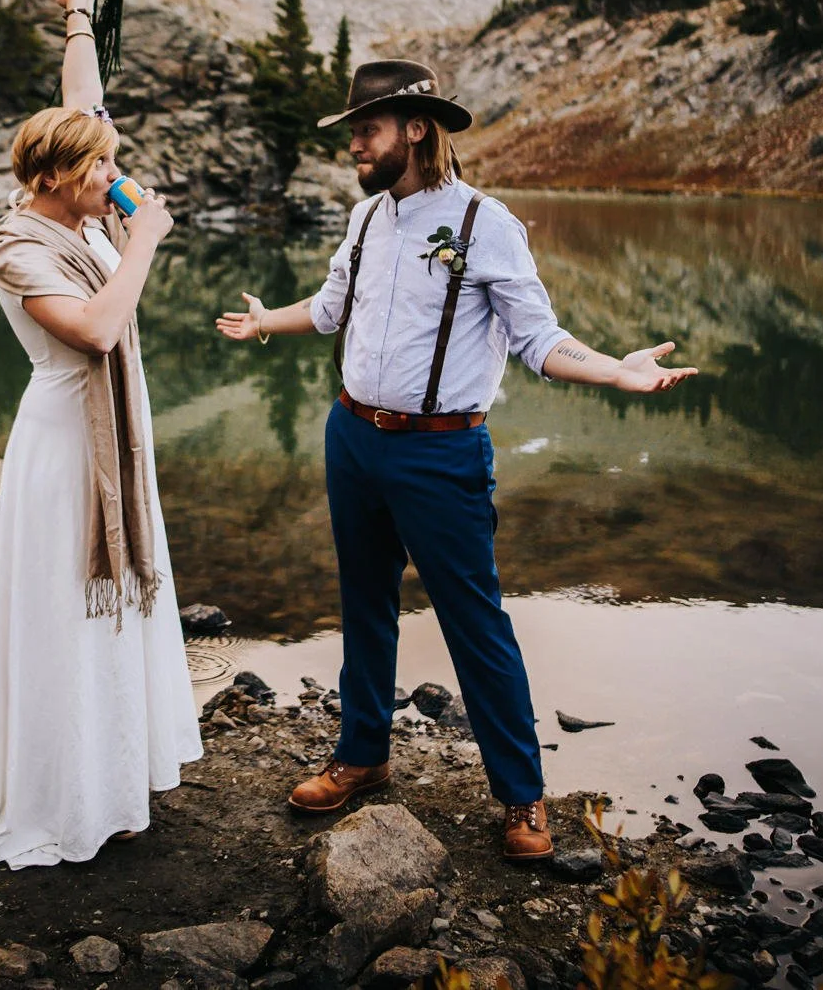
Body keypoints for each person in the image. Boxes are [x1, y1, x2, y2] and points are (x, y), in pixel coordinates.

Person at [215, 59, 696, 861]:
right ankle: (362, 756)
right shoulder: (366, 219)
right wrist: (269, 323)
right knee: (364, 602)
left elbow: (539, 339)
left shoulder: (486, 223)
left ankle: (520, 795)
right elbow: (331, 309)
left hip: (442, 453)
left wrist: (615, 367)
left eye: (365, 130)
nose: (354, 147)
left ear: (414, 127)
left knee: (476, 622)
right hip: (353, 438)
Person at [0, 0, 202, 868]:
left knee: (114, 615)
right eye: (99, 168)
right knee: (68, 614)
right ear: (53, 178)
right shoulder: (21, 244)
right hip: (62, 449)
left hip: (114, 441)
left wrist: (78, 10)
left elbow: (84, 104)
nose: (114, 175)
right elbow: (96, 330)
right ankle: (63, 796)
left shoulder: (83, 206)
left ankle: (116, 779)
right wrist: (143, 242)